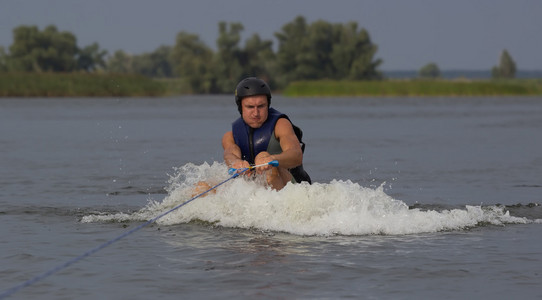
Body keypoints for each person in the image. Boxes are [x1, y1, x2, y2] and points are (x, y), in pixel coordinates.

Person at [222, 77, 311, 190]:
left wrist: (271, 159)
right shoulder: (230, 136)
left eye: (261, 106)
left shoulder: (281, 125)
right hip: (256, 191)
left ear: (268, 105)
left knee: (263, 157)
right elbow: (229, 154)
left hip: (292, 187)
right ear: (240, 107)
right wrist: (236, 163)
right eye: (250, 107)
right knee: (202, 186)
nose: (256, 113)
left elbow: (296, 155)